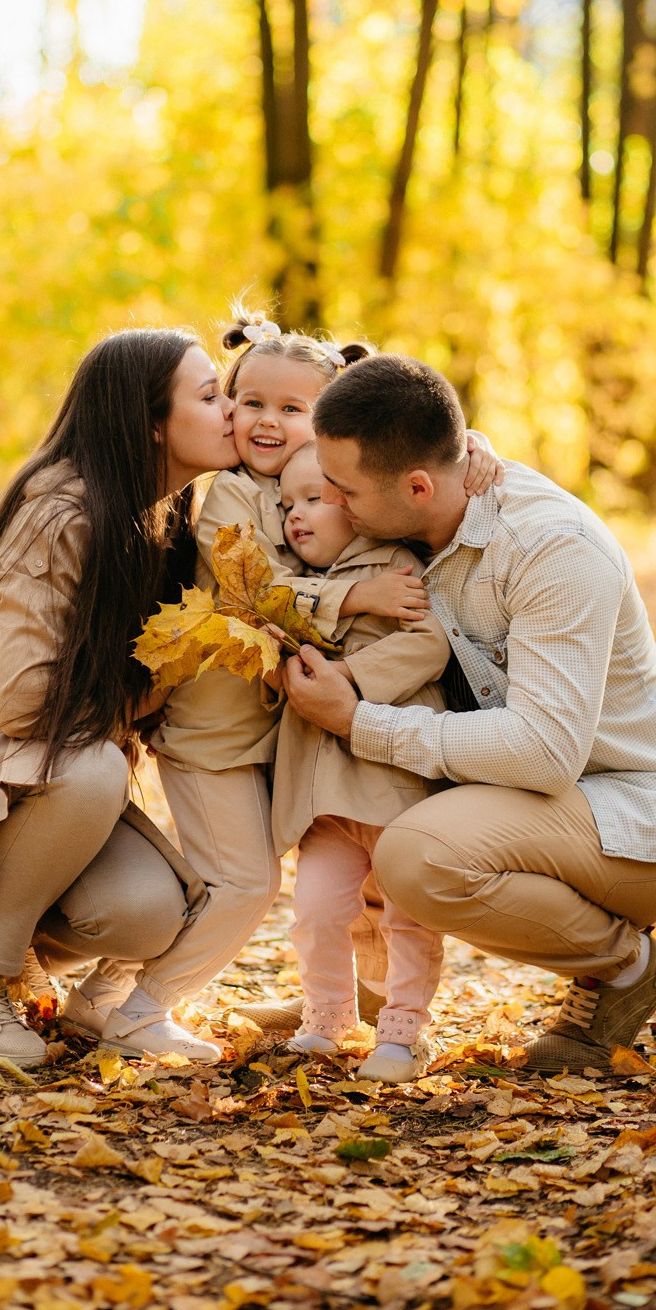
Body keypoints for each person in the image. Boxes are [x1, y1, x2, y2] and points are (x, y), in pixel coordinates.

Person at [282, 354, 656, 1072]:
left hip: (622, 818)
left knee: (417, 857)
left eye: (343, 488)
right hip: (524, 797)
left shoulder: (550, 551)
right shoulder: (421, 501)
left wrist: (357, 722)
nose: (330, 499)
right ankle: (345, 990)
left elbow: (543, 753)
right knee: (376, 828)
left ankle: (623, 966)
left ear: (419, 486)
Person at [0, 328, 238, 1067]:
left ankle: (67, 986)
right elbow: (24, 704)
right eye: (210, 395)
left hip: (33, 770)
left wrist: (474, 466)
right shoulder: (59, 513)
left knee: (146, 913)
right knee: (95, 766)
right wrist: (145, 697)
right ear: (150, 423)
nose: (230, 410)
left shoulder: (162, 522)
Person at [101, 318, 430, 1060]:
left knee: (230, 880)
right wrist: (354, 599)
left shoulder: (328, 495)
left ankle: (103, 1000)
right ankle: (142, 1010)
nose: (267, 422)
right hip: (211, 735)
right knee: (244, 885)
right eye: (250, 402)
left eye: (292, 409)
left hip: (278, 740)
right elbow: (254, 593)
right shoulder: (230, 497)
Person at [270, 443, 450, 1082]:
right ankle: (327, 1014)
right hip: (328, 798)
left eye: (314, 498)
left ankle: (403, 1029)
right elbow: (265, 611)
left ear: (352, 501)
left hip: (395, 788)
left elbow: (429, 644)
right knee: (317, 910)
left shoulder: (399, 565)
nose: (296, 515)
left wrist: (350, 677)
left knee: (408, 915)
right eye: (286, 503)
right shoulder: (287, 582)